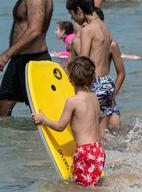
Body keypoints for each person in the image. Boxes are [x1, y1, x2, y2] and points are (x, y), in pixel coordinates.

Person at [32, 56, 105, 187]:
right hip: (98, 149)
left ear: (70, 80)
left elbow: (60, 126)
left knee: (81, 187)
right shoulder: (94, 98)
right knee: (93, 185)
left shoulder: (73, 101)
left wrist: (43, 119)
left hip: (85, 153)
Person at [0, 0, 53, 116]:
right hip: (19, 60)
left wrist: (6, 54)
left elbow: (34, 30)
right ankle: (13, 141)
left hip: (34, 62)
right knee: (3, 108)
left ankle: (34, 142)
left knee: (41, 113)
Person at [66, 0, 115, 133]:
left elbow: (83, 60)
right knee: (102, 132)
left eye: (72, 14)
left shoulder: (88, 29)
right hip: (107, 82)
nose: (73, 19)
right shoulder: (104, 26)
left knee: (87, 130)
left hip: (95, 83)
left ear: (79, 10)